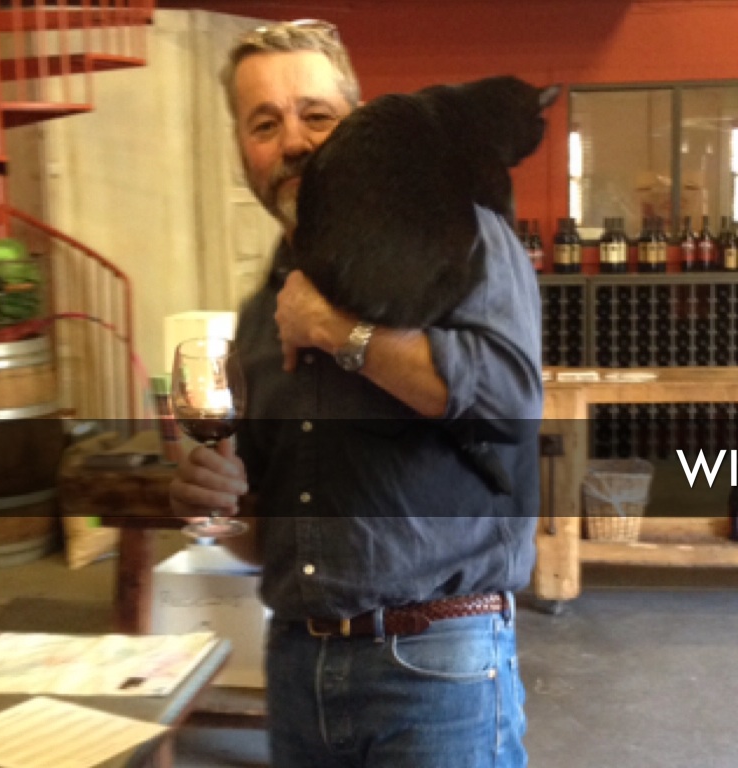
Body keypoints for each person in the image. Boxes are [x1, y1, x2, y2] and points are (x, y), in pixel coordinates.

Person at [169, 19, 543, 768]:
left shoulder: (462, 230)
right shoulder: (261, 310)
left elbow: (510, 404)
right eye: (264, 124)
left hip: (437, 668)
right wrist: (214, 507)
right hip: (298, 669)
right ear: (242, 149)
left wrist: (338, 331)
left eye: (316, 114)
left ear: (359, 122)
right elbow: (270, 531)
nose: (294, 142)